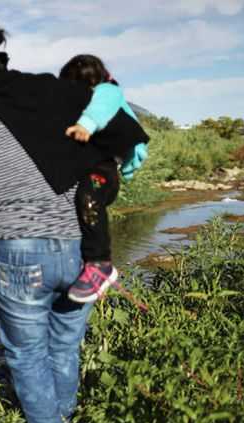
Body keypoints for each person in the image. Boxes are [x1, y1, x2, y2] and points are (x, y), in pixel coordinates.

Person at [0, 20, 142, 423]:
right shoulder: (62, 101)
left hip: (16, 256)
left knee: (28, 358)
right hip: (80, 253)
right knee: (64, 349)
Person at [59, 54, 150, 303]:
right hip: (88, 165)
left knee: (88, 197)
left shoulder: (108, 91)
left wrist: (86, 124)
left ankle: (100, 263)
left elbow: (103, 104)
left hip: (105, 170)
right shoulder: (76, 103)